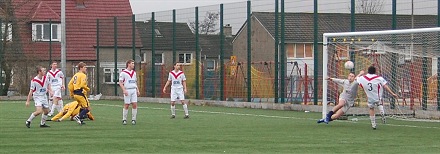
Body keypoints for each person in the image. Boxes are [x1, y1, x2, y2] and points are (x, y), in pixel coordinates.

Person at [119, 59, 140, 125]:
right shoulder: (123, 73)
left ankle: (134, 119)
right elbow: (120, 82)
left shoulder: (134, 72)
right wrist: (124, 90)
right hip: (127, 90)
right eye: (132, 63)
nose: (133, 65)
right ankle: (124, 119)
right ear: (128, 64)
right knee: (127, 104)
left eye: (133, 63)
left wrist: (137, 90)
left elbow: (135, 81)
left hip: (133, 89)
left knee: (134, 104)